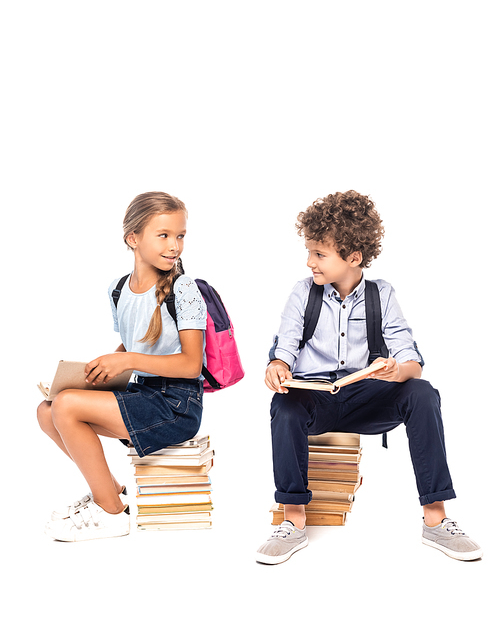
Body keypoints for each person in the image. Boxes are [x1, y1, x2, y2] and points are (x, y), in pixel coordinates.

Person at [256, 190, 482, 564]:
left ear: (353, 258)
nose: (309, 261)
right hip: (316, 399)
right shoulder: (302, 293)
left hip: (367, 397)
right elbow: (285, 347)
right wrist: (277, 367)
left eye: (319, 254)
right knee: (284, 406)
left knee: (423, 393)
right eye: (309, 251)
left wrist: (397, 371)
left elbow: (412, 361)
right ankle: (292, 521)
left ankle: (436, 519)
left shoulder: (382, 294)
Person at [38, 191, 207, 542]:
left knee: (67, 406)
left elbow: (191, 365)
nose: (174, 245)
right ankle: (112, 494)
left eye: (180, 235)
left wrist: (127, 359)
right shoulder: (119, 289)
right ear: (133, 239)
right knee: (46, 409)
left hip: (175, 404)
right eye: (164, 235)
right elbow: (132, 345)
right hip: (139, 392)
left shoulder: (185, 288)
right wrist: (99, 370)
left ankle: (112, 514)